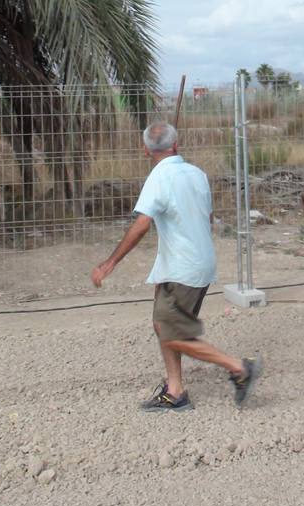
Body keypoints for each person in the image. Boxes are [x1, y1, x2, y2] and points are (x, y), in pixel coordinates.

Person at [90, 121, 262, 411]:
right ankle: (175, 390)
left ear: (146, 150)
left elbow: (142, 224)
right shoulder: (197, 174)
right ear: (176, 144)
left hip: (183, 268)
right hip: (195, 263)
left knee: (172, 332)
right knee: (163, 325)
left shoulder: (158, 178)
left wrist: (110, 263)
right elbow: (207, 218)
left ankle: (239, 368)